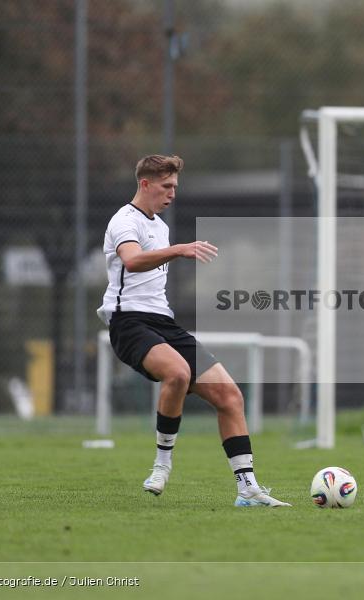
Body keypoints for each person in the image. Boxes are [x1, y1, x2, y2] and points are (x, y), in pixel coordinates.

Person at [97, 154, 290, 507]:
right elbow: (132, 260)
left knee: (230, 396)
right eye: (166, 186)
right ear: (145, 183)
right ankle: (161, 465)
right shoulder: (124, 220)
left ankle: (247, 488)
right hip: (129, 322)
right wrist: (180, 250)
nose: (172, 193)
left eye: (175, 187)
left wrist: (174, 249)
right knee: (178, 374)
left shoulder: (161, 225)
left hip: (163, 323)